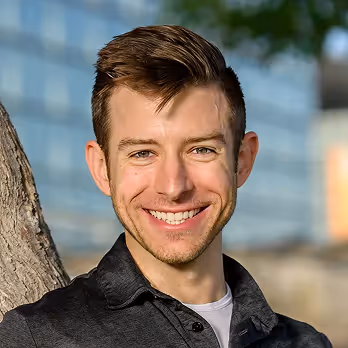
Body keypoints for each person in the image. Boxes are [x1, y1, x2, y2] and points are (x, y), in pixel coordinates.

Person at [0, 25, 332, 348]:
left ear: (242, 160)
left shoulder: (308, 342)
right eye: (142, 153)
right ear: (102, 169)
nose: (174, 187)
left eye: (201, 149)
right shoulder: (36, 339)